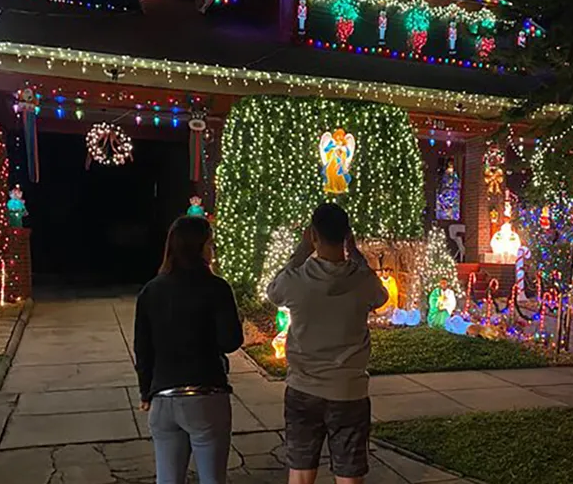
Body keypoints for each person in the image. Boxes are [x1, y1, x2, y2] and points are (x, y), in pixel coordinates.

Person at [267, 203, 388, 484]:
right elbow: (381, 298)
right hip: (349, 389)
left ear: (313, 236)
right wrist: (357, 256)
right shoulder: (362, 281)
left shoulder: (296, 281)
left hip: (303, 387)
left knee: (300, 472)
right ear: (347, 236)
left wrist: (299, 253)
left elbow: (273, 292)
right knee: (349, 473)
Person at [134, 216, 243, 484]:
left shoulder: (151, 291)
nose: (213, 250)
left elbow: (143, 349)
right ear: (199, 247)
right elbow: (230, 341)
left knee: (168, 479)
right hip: (206, 394)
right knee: (212, 479)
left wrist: (146, 390)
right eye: (210, 244)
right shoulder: (216, 287)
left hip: (163, 395)